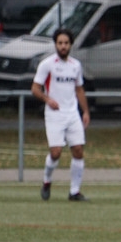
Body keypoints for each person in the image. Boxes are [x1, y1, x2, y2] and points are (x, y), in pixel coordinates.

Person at [32, 28, 91, 201]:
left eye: (66, 43)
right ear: (56, 44)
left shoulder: (75, 65)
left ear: (70, 45)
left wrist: (85, 111)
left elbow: (79, 90)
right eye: (60, 43)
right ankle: (47, 181)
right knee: (56, 152)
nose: (63, 46)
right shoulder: (47, 64)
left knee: (78, 150)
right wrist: (47, 99)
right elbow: (35, 88)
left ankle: (74, 191)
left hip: (72, 114)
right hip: (54, 115)